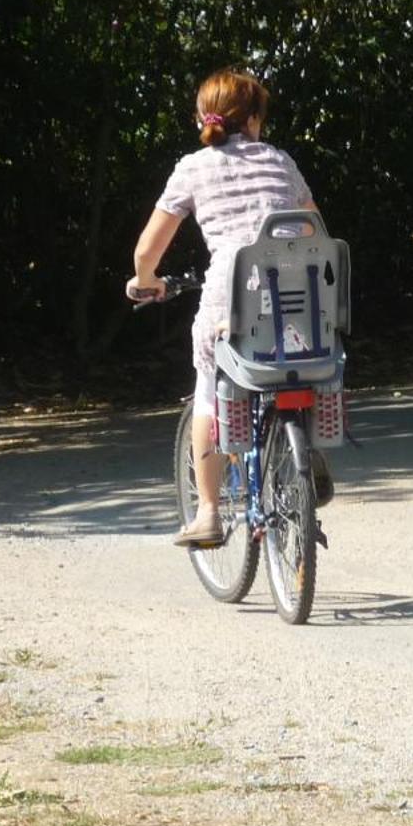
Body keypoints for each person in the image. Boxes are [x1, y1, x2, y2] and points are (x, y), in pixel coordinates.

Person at [127, 69, 322, 548]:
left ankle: (209, 513)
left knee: (210, 395)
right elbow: (316, 232)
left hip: (229, 305)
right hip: (300, 303)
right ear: (254, 119)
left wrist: (145, 281)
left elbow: (147, 252)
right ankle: (306, 453)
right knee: (293, 370)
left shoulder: (193, 168)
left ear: (203, 118)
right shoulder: (281, 161)